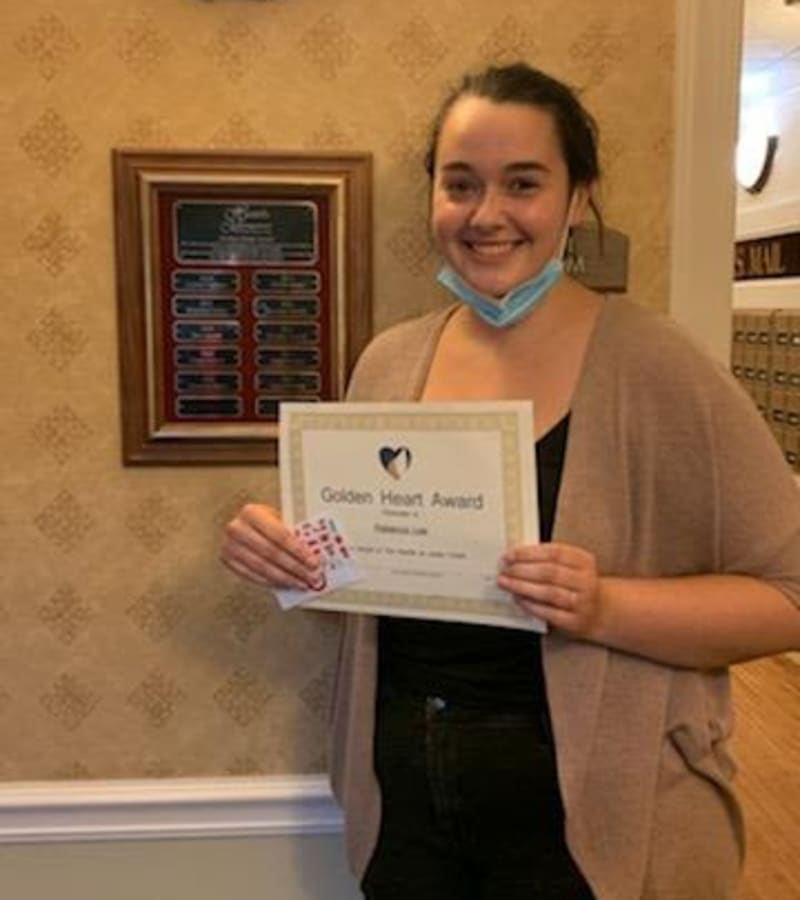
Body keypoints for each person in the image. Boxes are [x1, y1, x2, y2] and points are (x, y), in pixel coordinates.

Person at [221, 63, 800, 900]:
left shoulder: (656, 366)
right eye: (461, 184)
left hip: (598, 822)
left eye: (522, 183)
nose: (486, 214)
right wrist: (289, 556)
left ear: (576, 198)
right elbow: (372, 572)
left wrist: (605, 606)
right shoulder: (390, 362)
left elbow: (788, 592)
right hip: (408, 806)